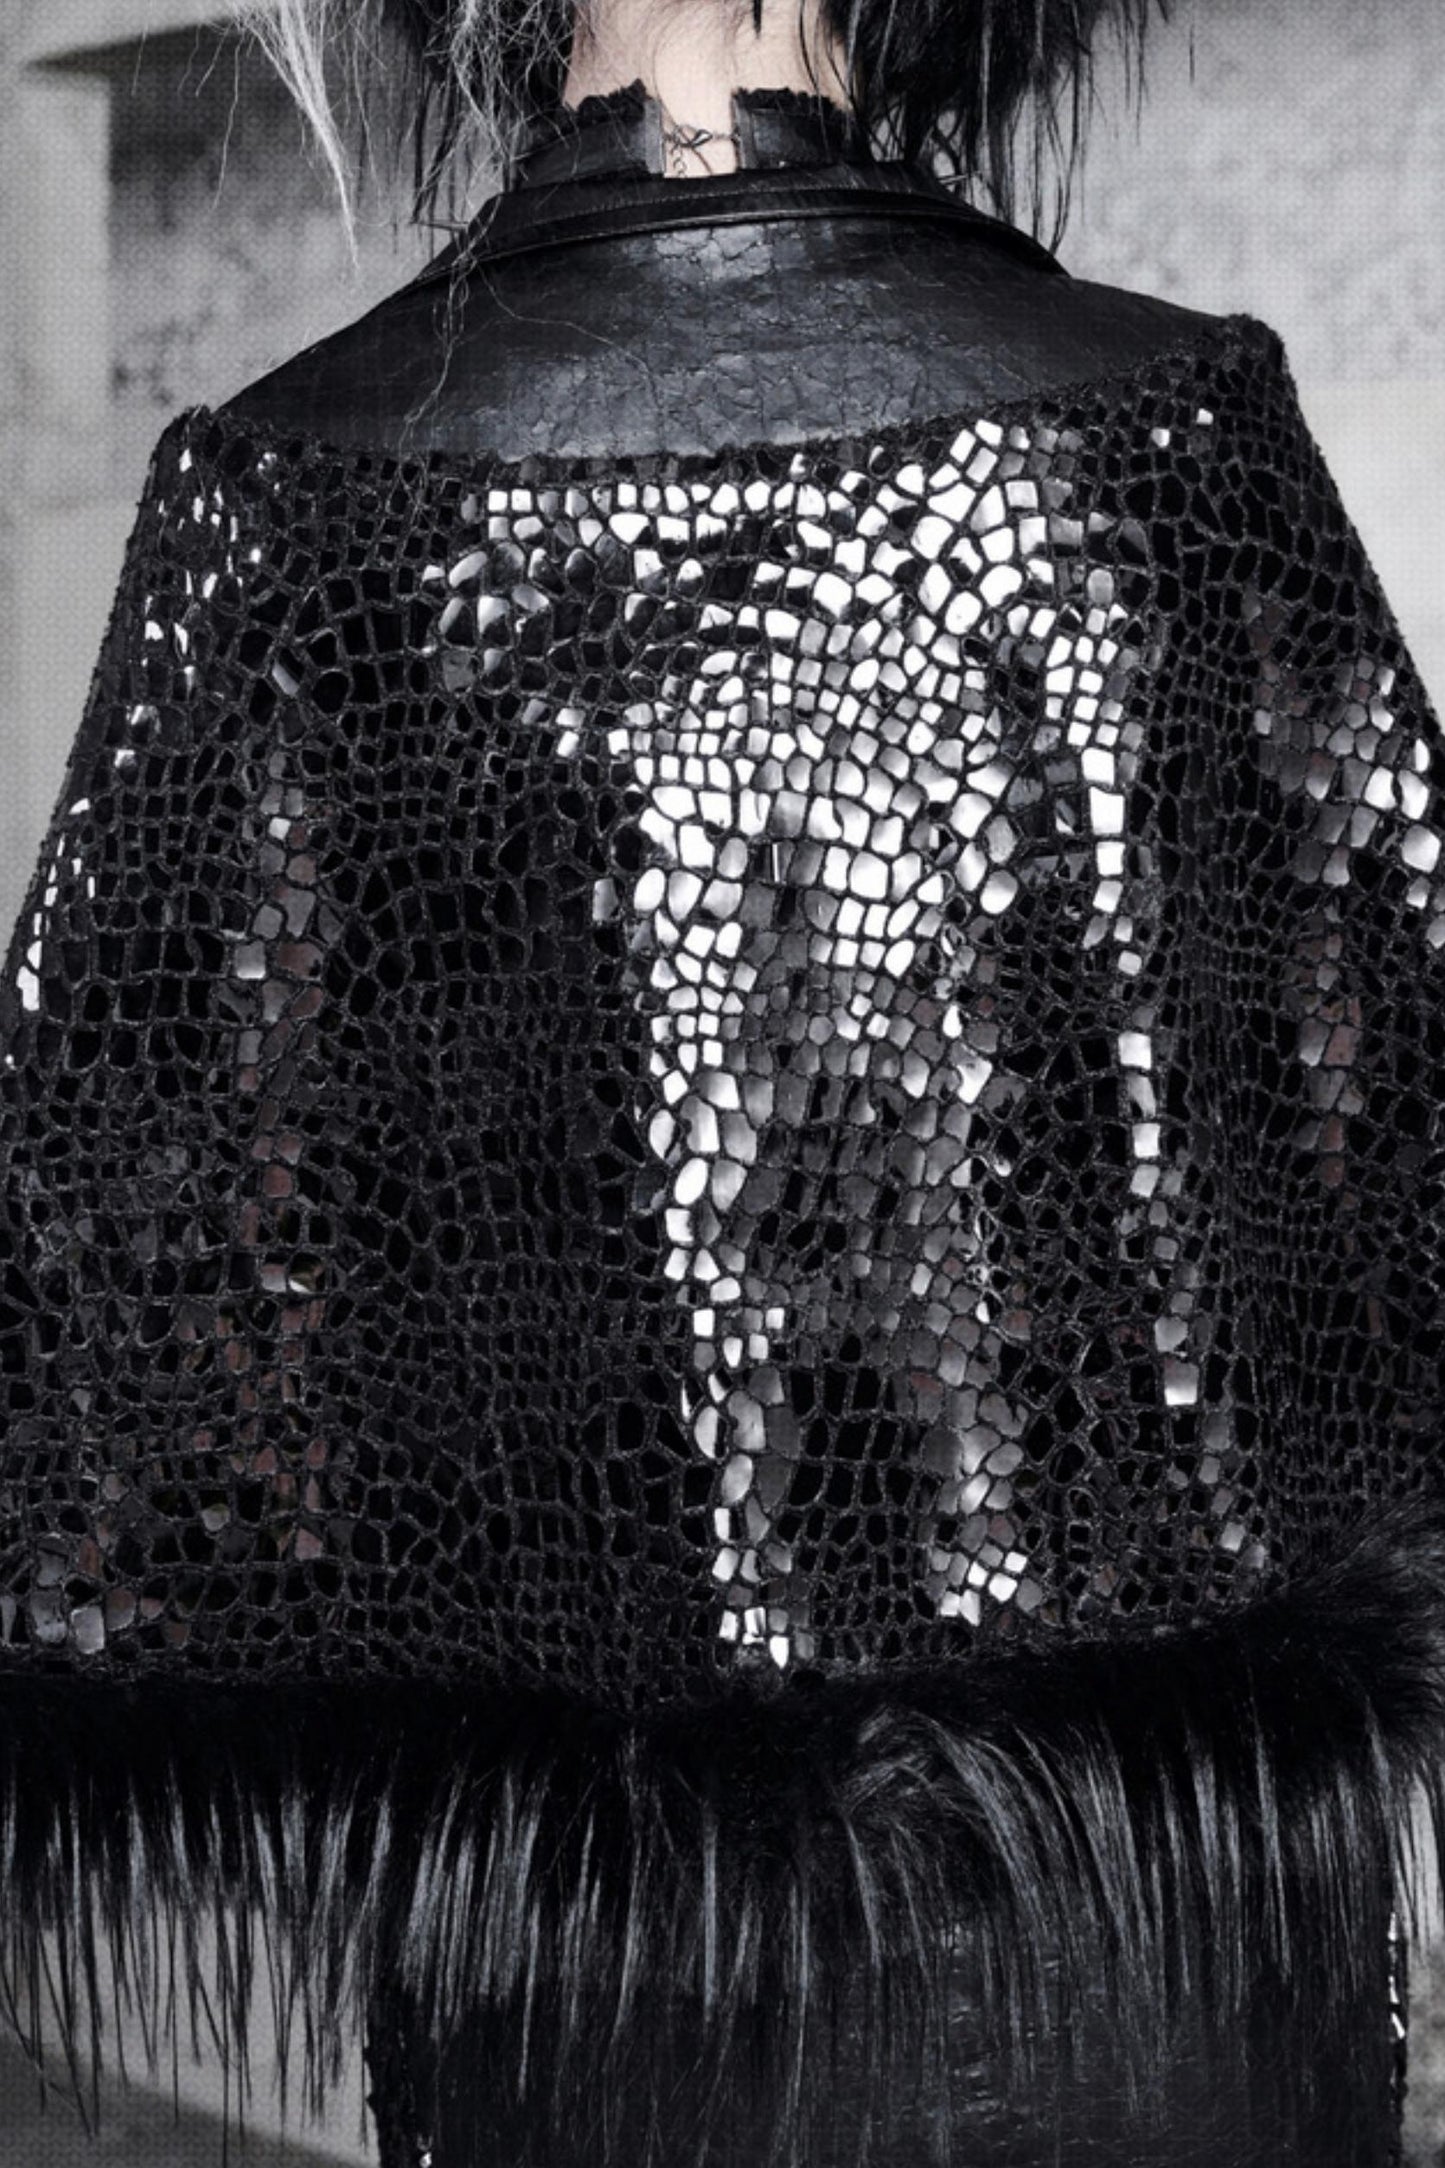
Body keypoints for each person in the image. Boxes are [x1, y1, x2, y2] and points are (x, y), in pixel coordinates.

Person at [1, 1, 1442, 2163]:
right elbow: (1378, 1176)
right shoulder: (1177, 432)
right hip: (1181, 1935)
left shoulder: (295, 501)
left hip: (607, 1986)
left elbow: (145, 1297)